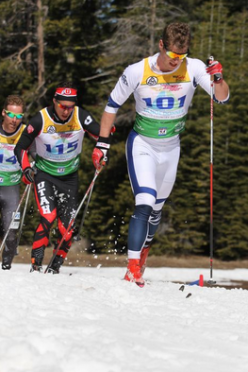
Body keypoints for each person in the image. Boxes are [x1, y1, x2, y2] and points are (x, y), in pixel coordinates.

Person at [92, 22, 230, 287]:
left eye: (182, 56)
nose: (177, 62)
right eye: (172, 56)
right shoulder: (137, 71)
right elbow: (111, 107)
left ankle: (142, 257)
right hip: (143, 144)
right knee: (144, 201)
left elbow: (222, 98)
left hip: (171, 148)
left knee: (156, 212)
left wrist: (218, 78)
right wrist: (102, 144)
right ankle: (132, 270)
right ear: (161, 46)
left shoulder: (194, 67)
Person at [14, 82, 100, 273]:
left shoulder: (80, 116)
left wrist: (103, 147)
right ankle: (36, 266)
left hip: (69, 177)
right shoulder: (40, 119)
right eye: (62, 106)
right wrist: (26, 168)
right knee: (48, 216)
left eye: (70, 106)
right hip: (44, 174)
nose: (66, 111)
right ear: (55, 102)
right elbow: (20, 147)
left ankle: (55, 267)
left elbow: (101, 134)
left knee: (67, 229)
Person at [0, 95, 27, 270]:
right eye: (11, 115)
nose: (14, 120)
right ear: (4, 113)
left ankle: (6, 267)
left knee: (11, 231)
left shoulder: (25, 131)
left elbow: (35, 152)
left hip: (12, 187)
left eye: (19, 116)